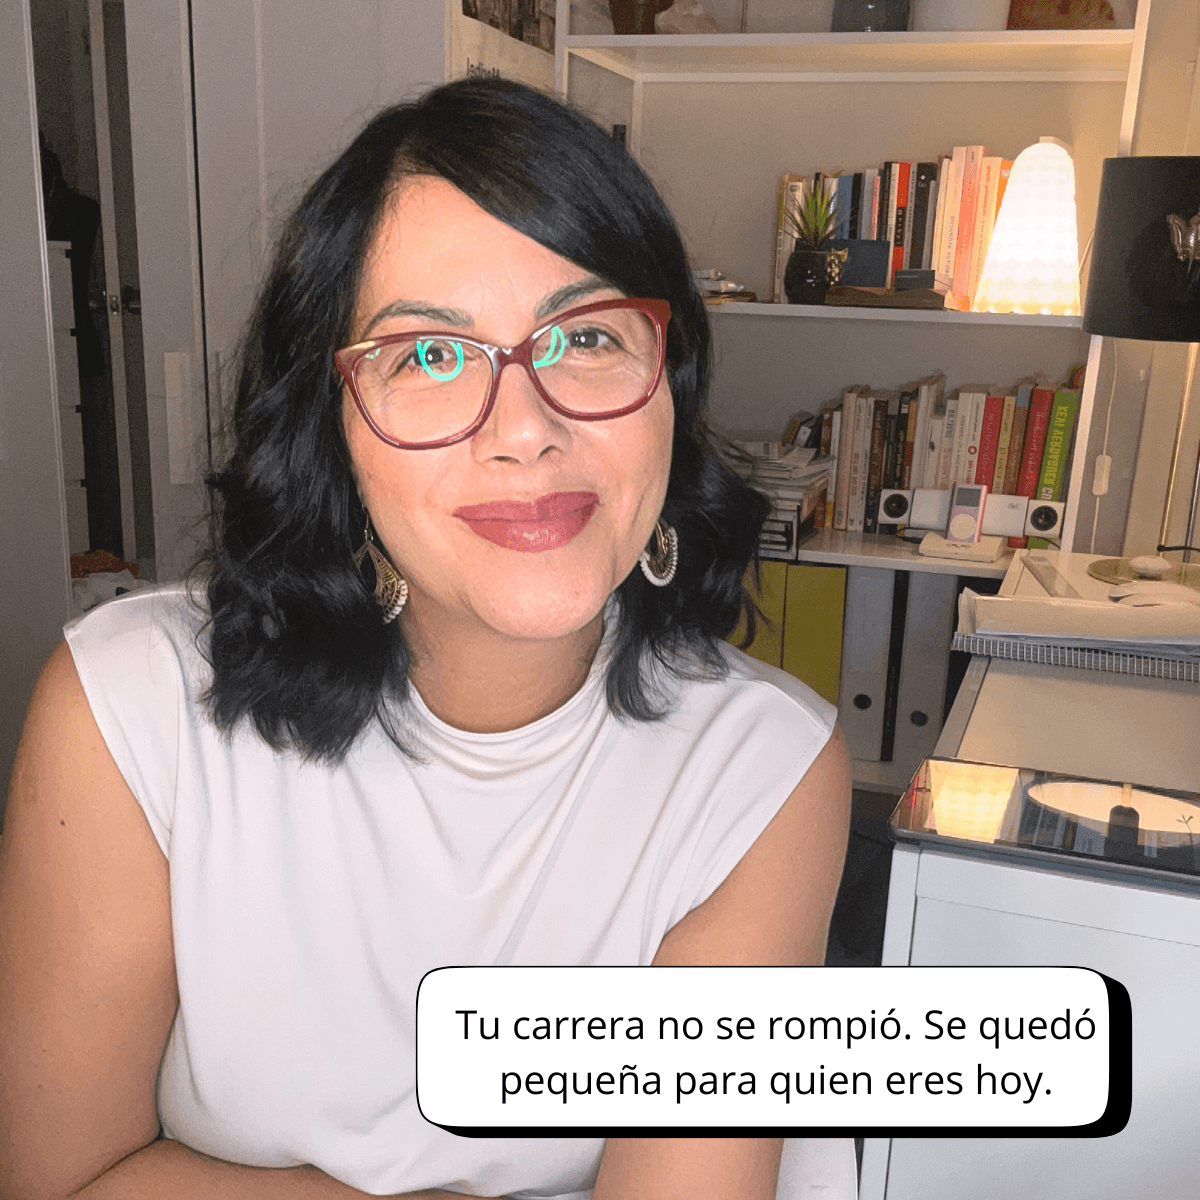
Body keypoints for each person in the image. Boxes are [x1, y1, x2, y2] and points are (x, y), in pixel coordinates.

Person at [0, 78, 852, 1199]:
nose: (526, 432)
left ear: (669, 386)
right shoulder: (130, 714)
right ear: (333, 428)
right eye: (430, 356)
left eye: (586, 337)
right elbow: (65, 1181)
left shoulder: (760, 773)